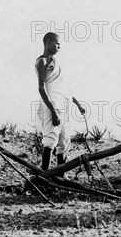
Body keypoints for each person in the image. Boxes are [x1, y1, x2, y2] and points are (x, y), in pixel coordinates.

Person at [35, 32, 85, 173]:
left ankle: (60, 174)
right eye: (56, 43)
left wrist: (77, 104)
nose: (59, 46)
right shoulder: (42, 62)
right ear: (47, 43)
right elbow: (41, 88)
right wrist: (53, 111)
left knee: (64, 140)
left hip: (63, 103)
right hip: (51, 103)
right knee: (51, 138)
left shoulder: (57, 62)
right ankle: (45, 174)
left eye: (60, 44)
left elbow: (63, 88)